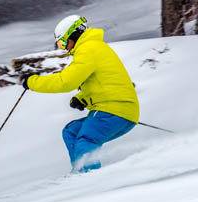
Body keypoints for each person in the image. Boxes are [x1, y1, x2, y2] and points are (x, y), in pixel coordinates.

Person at [22, 15, 139, 173]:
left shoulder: (88, 49)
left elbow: (65, 82)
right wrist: (82, 99)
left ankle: (89, 179)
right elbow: (102, 81)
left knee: (86, 140)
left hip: (113, 109)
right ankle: (79, 171)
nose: (64, 48)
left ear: (73, 34)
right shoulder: (93, 48)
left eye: (62, 42)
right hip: (119, 109)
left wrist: (32, 82)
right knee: (71, 131)